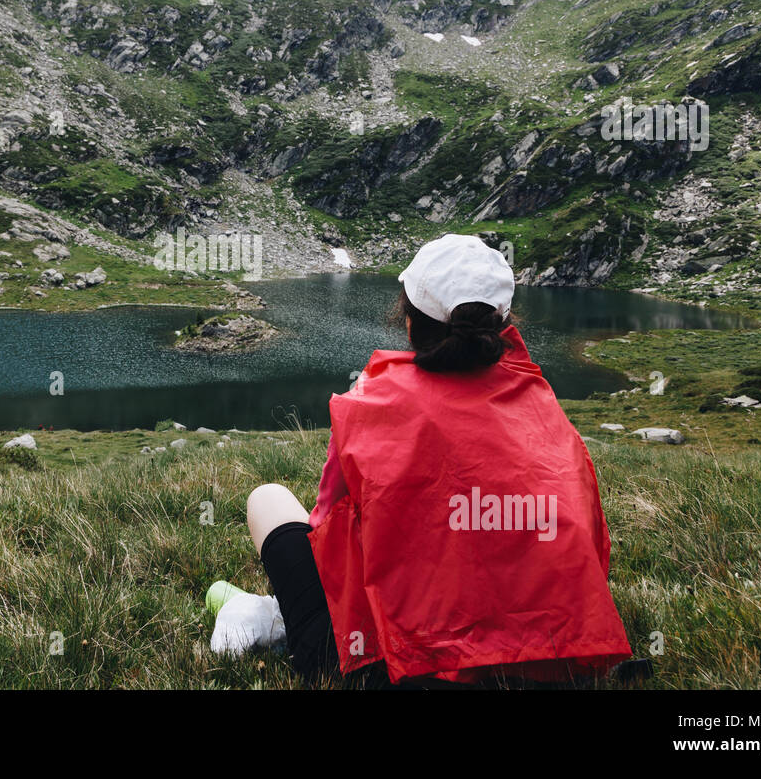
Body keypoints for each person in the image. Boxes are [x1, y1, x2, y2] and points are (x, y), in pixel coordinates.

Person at [234, 233, 632, 686]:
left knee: (269, 500)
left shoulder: (369, 403)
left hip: (393, 670)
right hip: (555, 667)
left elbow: (326, 534)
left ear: (409, 320)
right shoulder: (542, 406)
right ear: (500, 323)